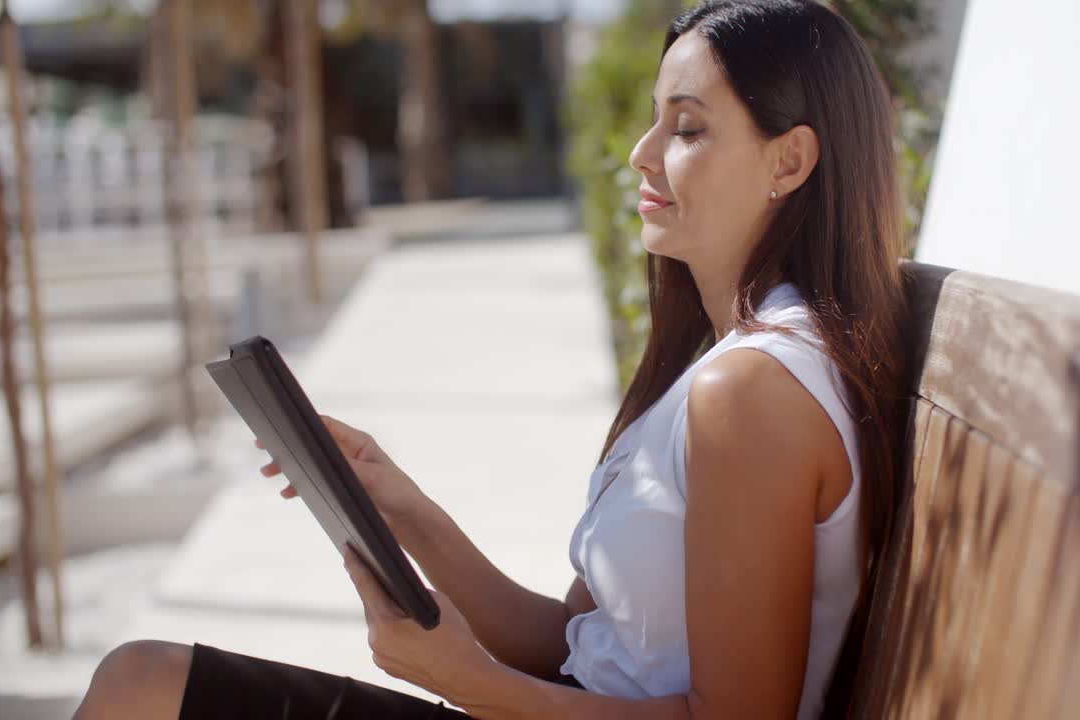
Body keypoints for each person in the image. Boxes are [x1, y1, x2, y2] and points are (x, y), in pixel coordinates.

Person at [72, 0, 907, 717]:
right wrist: (407, 512)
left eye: (686, 126)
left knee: (141, 687)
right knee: (142, 680)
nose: (641, 153)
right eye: (654, 118)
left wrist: (473, 686)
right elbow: (568, 645)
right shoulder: (735, 363)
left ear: (789, 160)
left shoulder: (751, 389)